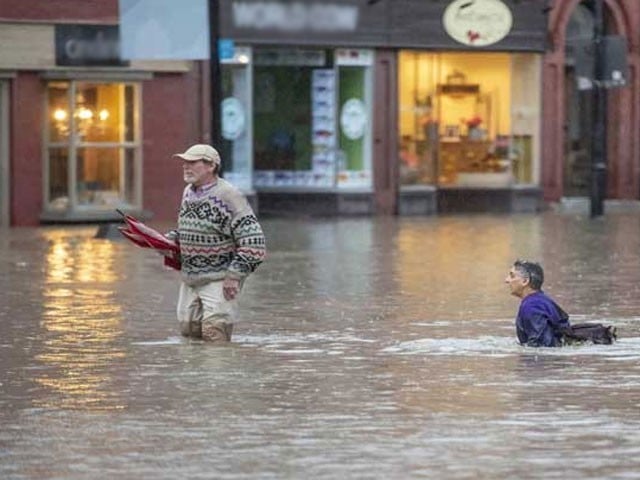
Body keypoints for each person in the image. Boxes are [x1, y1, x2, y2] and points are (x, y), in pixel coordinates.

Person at [170, 144, 266, 343]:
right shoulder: (188, 192)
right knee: (189, 332)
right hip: (190, 278)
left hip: (220, 279)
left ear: (210, 166)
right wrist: (170, 239)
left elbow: (254, 242)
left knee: (215, 333)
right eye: (184, 163)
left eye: (192, 163)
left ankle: (220, 373)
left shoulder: (230, 195)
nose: (185, 167)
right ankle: (195, 374)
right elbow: (193, 228)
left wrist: (234, 276)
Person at [505, 260, 570, 347]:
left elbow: (541, 347)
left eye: (512, 276)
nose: (507, 280)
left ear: (525, 281)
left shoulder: (531, 306)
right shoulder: (542, 301)